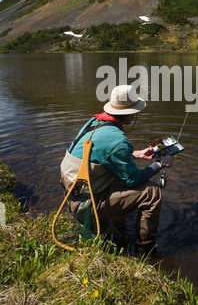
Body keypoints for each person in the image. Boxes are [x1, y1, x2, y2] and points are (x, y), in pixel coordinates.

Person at [60, 84, 173, 255]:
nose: (136, 114)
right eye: (135, 111)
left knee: (118, 176)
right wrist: (160, 164)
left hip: (72, 192)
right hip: (85, 203)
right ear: (129, 113)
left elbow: (101, 154)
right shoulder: (117, 140)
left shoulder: (95, 121)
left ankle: (113, 223)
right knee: (152, 193)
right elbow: (133, 179)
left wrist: (137, 154)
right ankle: (146, 247)